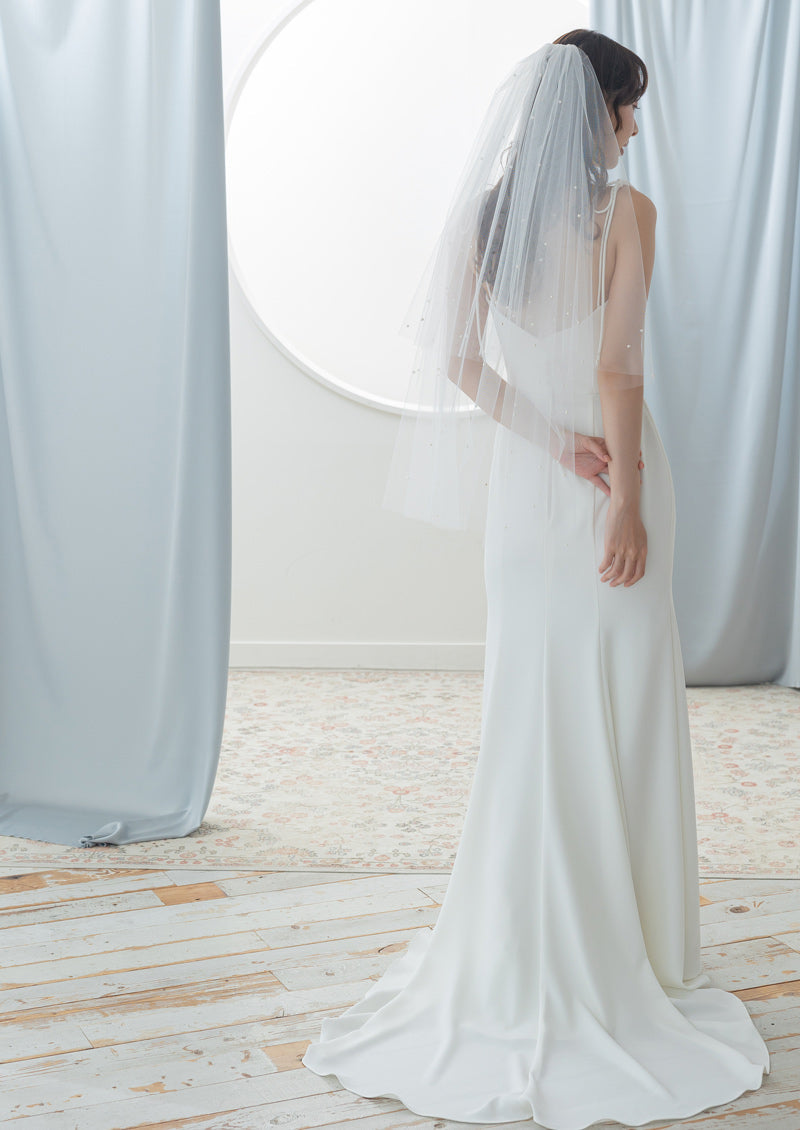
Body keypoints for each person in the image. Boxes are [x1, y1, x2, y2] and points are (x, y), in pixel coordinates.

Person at [302, 30, 770, 1128]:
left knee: (531, 706)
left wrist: (552, 444)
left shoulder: (487, 218)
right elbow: (617, 369)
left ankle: (523, 927)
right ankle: (638, 943)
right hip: (615, 480)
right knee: (624, 699)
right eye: (626, 107)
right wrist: (623, 498)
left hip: (531, 489)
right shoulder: (627, 215)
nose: (633, 128)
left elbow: (461, 359)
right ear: (593, 112)